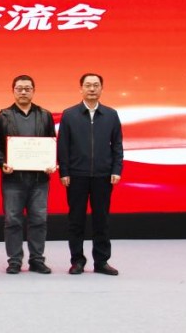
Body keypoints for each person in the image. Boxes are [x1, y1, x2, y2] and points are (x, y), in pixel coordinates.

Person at [58, 73, 123, 276]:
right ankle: (77, 261)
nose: (92, 89)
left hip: (103, 176)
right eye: (88, 85)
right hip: (76, 175)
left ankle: (101, 261)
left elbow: (117, 145)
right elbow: (63, 146)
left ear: (102, 88)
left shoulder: (111, 115)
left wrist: (116, 169)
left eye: (96, 85)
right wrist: (64, 171)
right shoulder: (69, 115)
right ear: (81, 89)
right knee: (76, 220)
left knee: (101, 220)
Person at [0, 75, 57, 274]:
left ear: (33, 91)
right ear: (13, 91)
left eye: (27, 88)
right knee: (12, 220)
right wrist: (2, 163)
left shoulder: (45, 115)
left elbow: (51, 143)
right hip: (13, 179)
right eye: (19, 88)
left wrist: (50, 163)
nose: (23, 92)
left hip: (39, 180)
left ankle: (37, 260)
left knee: (39, 219)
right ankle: (14, 261)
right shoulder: (3, 116)